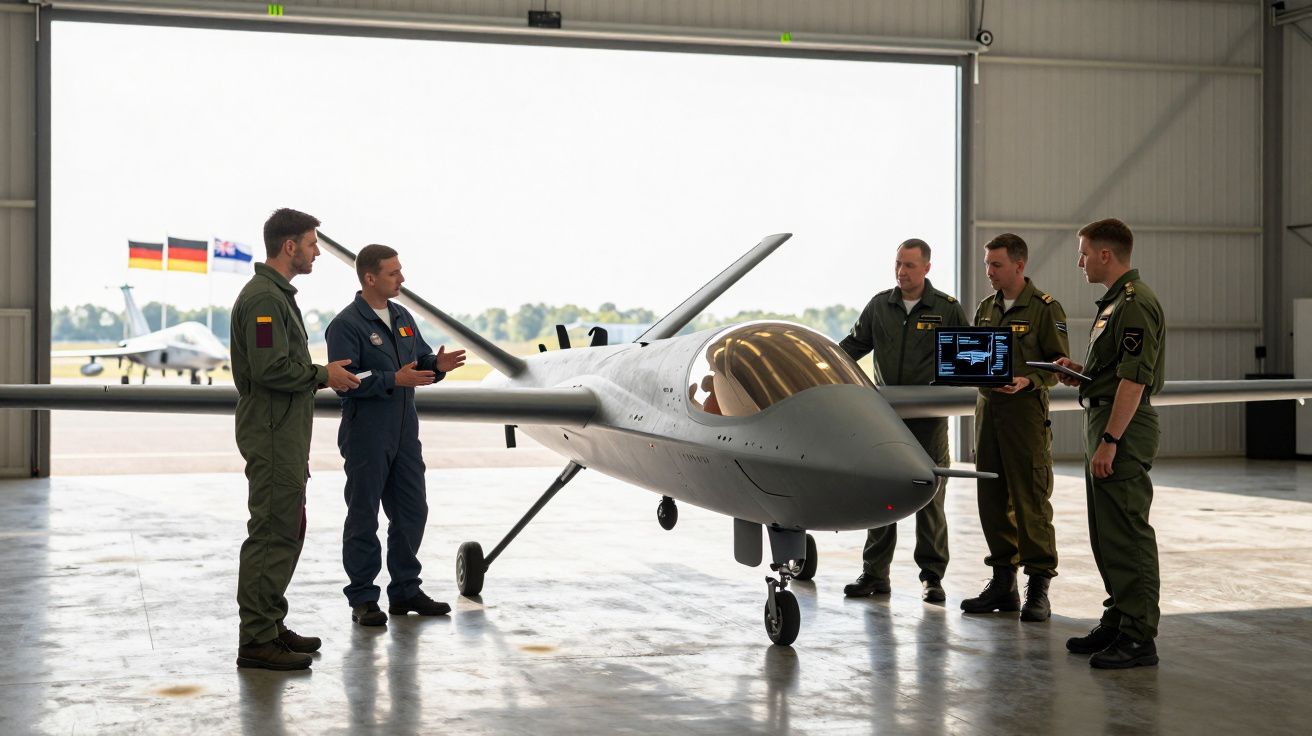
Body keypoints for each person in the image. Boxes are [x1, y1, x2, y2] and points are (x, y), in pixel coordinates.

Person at [233, 208, 360, 670]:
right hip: (271, 434)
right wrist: (324, 374)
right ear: (289, 247)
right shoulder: (265, 300)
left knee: (287, 528)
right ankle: (257, 641)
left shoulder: (277, 295)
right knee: (271, 533)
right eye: (310, 244)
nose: (316, 252)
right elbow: (270, 369)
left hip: (282, 433)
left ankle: (270, 625)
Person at [326, 244, 466, 626]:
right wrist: (394, 379)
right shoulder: (346, 325)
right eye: (393, 273)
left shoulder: (402, 316)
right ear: (370, 278)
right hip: (367, 434)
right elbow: (346, 381)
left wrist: (436, 365)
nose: (401, 279)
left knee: (411, 510)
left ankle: (405, 590)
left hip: (405, 433)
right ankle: (363, 599)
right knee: (363, 515)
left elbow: (417, 361)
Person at [1055, 218, 1165, 669]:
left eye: (1083, 252)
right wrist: (1079, 370)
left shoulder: (1135, 304)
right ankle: (1119, 617)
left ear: (1105, 254)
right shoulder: (1115, 304)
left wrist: (1111, 439)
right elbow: (1114, 369)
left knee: (1127, 531)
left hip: (1122, 425)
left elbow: (1134, 380)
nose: (1079, 261)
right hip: (1103, 416)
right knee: (1106, 533)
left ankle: (1139, 637)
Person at [839, 239, 968, 602]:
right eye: (898, 264)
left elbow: (966, 358)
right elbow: (851, 348)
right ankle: (874, 575)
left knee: (930, 496)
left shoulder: (946, 309)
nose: (901, 272)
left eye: (910, 265)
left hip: (928, 420)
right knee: (882, 495)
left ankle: (932, 578)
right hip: (885, 419)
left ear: (927, 268)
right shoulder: (880, 306)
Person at [962, 233, 1068, 622]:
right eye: (987, 264)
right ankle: (1002, 583)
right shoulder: (986, 308)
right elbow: (975, 360)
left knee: (1031, 503)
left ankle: (1038, 588)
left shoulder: (1044, 308)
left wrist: (1030, 381)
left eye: (997, 265)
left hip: (1025, 419)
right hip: (989, 417)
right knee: (991, 501)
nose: (989, 272)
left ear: (1019, 265)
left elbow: (1059, 366)